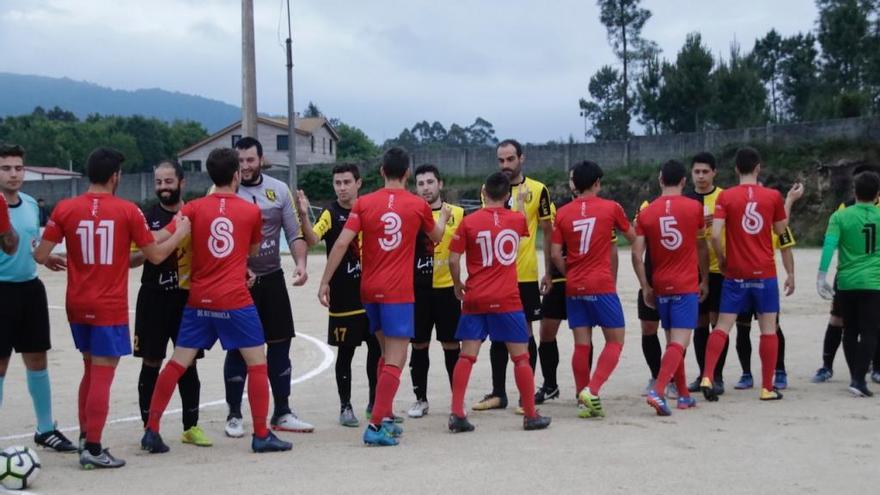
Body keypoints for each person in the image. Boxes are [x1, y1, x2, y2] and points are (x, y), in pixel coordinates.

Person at [33, 147, 190, 469]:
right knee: (103, 374)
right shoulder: (126, 210)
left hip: (76, 302)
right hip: (107, 305)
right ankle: (92, 446)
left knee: (89, 369)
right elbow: (156, 254)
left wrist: (50, 257)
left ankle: (84, 439)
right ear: (115, 176)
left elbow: (39, 255)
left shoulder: (65, 208)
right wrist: (180, 232)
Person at [140, 147, 292, 454]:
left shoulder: (194, 208)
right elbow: (250, 253)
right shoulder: (251, 211)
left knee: (175, 363)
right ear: (236, 175)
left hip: (199, 300)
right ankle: (261, 433)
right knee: (257, 362)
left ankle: (151, 430)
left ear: (209, 175)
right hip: (234, 299)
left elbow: (156, 238)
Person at [318, 147, 450, 446]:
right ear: (407, 174)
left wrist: (325, 281)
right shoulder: (417, 205)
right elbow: (438, 237)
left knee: (383, 352)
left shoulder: (364, 203)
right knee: (396, 358)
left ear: (381, 172)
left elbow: (340, 244)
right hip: (398, 293)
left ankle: (385, 414)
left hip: (368, 291)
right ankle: (376, 425)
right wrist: (442, 217)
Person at [447, 171, 551, 432]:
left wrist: (458, 283)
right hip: (507, 298)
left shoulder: (470, 222)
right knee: (521, 358)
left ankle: (457, 412)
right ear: (506, 195)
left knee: (467, 356)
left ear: (483, 194)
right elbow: (519, 223)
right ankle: (530, 414)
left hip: (476, 296)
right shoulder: (516, 219)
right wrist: (516, 203)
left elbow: (452, 258)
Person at [223, 137, 313, 437]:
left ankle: (283, 411)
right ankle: (235, 415)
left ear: (261, 160)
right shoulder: (224, 191)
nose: (245, 167)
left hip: (272, 278)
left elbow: (294, 233)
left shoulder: (278, 189)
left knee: (279, 345)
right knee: (238, 348)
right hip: (239, 282)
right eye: (240, 161)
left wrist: (301, 263)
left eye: (250, 160)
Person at [699, 147, 791, 402]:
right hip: (764, 272)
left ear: (736, 169)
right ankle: (767, 387)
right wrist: (789, 203)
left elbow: (715, 234)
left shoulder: (726, 197)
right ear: (758, 167)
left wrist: (724, 258)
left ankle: (708, 375)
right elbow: (781, 228)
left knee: (722, 326)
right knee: (768, 329)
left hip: (736, 272)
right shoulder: (772, 196)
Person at [0, 143, 76, 452]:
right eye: (6, 168)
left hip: (30, 289)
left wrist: (44, 258)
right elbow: (8, 245)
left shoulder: (31, 203)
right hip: (1, 291)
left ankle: (45, 429)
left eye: (18, 167)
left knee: (37, 360)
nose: (14, 173)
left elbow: (29, 243)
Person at [130, 160, 210, 447]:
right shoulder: (144, 217)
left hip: (187, 299)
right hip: (153, 298)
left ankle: (191, 427)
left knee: (188, 364)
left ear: (181, 182)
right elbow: (130, 260)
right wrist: (151, 249)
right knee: (151, 361)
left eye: (168, 182)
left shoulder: (197, 213)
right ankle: (148, 427)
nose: (163, 188)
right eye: (158, 183)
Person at [550, 160, 636, 418]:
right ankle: (593, 389)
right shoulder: (611, 207)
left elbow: (555, 253)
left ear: (575, 184)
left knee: (581, 345)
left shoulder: (563, 212)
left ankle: (580, 396)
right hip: (601, 283)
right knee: (616, 341)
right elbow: (633, 237)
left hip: (575, 285)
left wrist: (570, 272)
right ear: (597, 183)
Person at [298, 163, 381, 427]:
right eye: (337, 183)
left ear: (359, 183)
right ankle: (345, 407)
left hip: (372, 293)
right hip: (344, 297)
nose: (342, 188)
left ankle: (375, 404)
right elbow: (312, 239)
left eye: (347, 182)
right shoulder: (330, 213)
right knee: (345, 353)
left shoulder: (369, 208)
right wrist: (302, 215)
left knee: (377, 350)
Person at [474, 139, 553, 412]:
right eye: (501, 160)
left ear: (522, 158)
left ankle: (525, 396)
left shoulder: (538, 190)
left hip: (525, 275)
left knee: (524, 333)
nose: (505, 165)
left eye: (510, 159)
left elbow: (547, 232)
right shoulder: (489, 189)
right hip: (494, 277)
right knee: (497, 334)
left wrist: (549, 271)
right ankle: (498, 393)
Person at [631, 159, 709, 415]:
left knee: (673, 342)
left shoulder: (647, 212)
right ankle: (659, 390)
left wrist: (645, 285)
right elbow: (700, 245)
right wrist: (705, 278)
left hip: (661, 283)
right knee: (680, 342)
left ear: (660, 180)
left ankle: (684, 394)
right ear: (684, 181)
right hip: (685, 282)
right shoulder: (694, 206)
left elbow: (636, 253)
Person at [733, 183, 803, 390]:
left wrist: (791, 274)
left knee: (773, 328)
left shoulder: (773, 223)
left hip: (764, 281)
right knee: (742, 329)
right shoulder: (740, 223)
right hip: (742, 280)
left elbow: (785, 246)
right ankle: (746, 373)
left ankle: (779, 371)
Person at [816, 170, 880, 397]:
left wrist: (821, 276)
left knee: (849, 330)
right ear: (877, 194)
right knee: (871, 331)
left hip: (846, 282)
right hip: (874, 282)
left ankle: (855, 377)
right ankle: (859, 379)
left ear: (854, 192)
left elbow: (829, 246)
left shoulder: (840, 216)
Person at [408, 164, 464, 418]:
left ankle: (457, 401)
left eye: (430, 182)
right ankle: (420, 399)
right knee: (419, 345)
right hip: (417, 290)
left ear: (440, 184)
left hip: (447, 290)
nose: (426, 188)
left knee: (451, 345)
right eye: (420, 183)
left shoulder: (459, 214)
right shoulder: (410, 215)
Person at [685, 152, 728, 395]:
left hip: (718, 270)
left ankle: (716, 375)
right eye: (696, 171)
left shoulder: (724, 197)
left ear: (714, 173)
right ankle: (703, 375)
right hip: (692, 270)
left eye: (705, 171)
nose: (700, 176)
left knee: (717, 324)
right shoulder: (686, 199)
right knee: (699, 324)